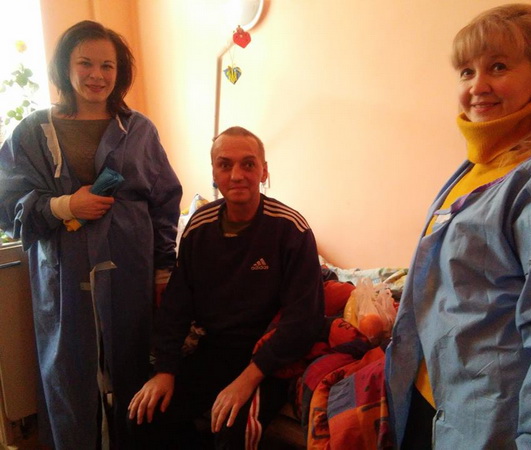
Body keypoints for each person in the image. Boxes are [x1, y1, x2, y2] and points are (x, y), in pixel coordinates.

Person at [384, 4, 531, 449]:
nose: (477, 86)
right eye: (466, 71)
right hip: (432, 401)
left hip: (497, 424)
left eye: (498, 67)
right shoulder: (475, 167)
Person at [0, 20, 182, 449]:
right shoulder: (32, 132)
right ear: (66, 67)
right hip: (63, 280)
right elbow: (7, 203)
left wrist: (163, 271)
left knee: (133, 374)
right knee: (70, 377)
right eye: (85, 63)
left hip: (129, 275)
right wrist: (64, 206)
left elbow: (164, 202)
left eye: (107, 66)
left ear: (120, 72)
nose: (96, 75)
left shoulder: (139, 130)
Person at [128, 126, 325, 448]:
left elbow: (304, 320)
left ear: (263, 171)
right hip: (216, 350)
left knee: (233, 429)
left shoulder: (290, 229)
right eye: (225, 164)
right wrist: (165, 371)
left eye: (248, 164)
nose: (236, 175)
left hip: (269, 359)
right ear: (214, 173)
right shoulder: (199, 227)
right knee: (144, 417)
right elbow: (177, 305)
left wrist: (247, 379)